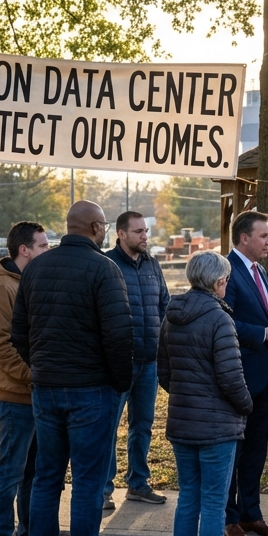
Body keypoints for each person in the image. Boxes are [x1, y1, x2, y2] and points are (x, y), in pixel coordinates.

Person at [10, 200, 134, 536]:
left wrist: (43, 366)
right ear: (97, 228)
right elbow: (119, 336)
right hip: (90, 391)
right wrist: (119, 383)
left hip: (46, 389)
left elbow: (19, 333)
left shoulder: (37, 269)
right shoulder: (104, 269)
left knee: (47, 479)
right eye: (103, 227)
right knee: (86, 482)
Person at [159, 251, 254, 536]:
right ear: (218, 282)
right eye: (226, 279)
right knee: (214, 504)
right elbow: (231, 378)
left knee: (188, 499)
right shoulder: (219, 319)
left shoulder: (172, 316)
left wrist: (187, 394)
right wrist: (247, 406)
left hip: (183, 420)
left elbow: (164, 371)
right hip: (217, 425)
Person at [0, 221, 50, 536]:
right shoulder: (3, 288)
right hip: (13, 395)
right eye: (42, 245)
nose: (47, 250)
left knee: (33, 474)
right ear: (25, 250)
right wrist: (30, 375)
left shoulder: (27, 282)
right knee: (11, 470)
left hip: (34, 394)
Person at [222, 210, 268, 536]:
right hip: (237, 378)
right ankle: (229, 517)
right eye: (263, 236)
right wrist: (264, 333)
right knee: (233, 452)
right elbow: (224, 323)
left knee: (256, 451)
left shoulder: (260, 270)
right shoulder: (226, 271)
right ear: (244, 238)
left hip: (263, 381)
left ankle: (251, 513)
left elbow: (265, 316)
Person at [104, 211, 171, 509]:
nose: (145, 236)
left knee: (142, 425)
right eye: (138, 231)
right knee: (108, 426)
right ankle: (103, 489)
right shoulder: (106, 264)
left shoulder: (152, 265)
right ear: (121, 234)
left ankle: (138, 483)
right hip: (117, 363)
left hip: (149, 362)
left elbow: (164, 305)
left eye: (145, 231)